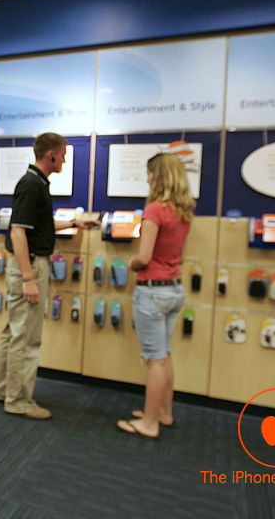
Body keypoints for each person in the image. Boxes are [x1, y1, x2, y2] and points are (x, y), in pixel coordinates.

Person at [0, 133, 94, 419]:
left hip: (28, 265)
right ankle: (18, 399)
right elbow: (18, 231)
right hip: (30, 266)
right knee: (27, 336)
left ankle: (1, 388)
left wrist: (74, 222)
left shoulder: (36, 183)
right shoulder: (31, 185)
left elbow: (38, 226)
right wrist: (28, 278)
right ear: (51, 156)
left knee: (14, 331)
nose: (64, 160)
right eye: (63, 155)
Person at [116, 153, 195, 439]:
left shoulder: (154, 211)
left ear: (158, 175)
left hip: (152, 292)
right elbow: (181, 257)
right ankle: (164, 413)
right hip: (174, 289)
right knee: (164, 355)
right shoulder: (183, 211)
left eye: (149, 173)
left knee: (154, 359)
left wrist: (130, 263)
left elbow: (144, 257)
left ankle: (149, 423)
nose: (146, 178)